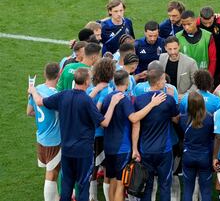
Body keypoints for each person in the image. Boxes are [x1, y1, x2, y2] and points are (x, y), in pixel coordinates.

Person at [28, 68, 124, 201]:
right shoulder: (87, 101)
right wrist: (113, 103)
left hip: (67, 151)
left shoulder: (63, 95)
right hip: (83, 153)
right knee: (83, 186)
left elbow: (39, 102)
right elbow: (105, 122)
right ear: (86, 81)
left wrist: (33, 91)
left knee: (66, 186)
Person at [102, 70, 166, 201]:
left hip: (108, 146)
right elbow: (134, 118)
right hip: (122, 147)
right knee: (121, 184)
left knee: (112, 180)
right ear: (127, 82)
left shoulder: (108, 97)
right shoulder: (123, 98)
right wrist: (152, 104)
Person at [132, 67, 180, 201]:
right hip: (164, 150)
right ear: (159, 82)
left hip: (145, 149)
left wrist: (135, 148)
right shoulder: (168, 99)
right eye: (164, 79)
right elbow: (176, 119)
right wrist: (173, 100)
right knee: (165, 185)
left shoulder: (139, 100)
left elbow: (136, 123)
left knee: (147, 185)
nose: (165, 81)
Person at [26, 62, 61, 201]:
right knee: (52, 174)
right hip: (54, 140)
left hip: (40, 137)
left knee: (51, 172)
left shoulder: (37, 89)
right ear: (58, 75)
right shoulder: (56, 95)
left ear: (45, 74)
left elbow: (29, 112)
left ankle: (55, 197)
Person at [86, 57, 116, 201]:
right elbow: (96, 111)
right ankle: (101, 197)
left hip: (90, 134)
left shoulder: (91, 88)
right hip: (103, 134)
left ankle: (92, 196)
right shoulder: (108, 90)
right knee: (105, 168)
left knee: (93, 165)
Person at [178, 91, 214, 201]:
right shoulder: (209, 119)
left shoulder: (183, 119)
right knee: (205, 191)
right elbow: (213, 137)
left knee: (188, 190)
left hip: (188, 156)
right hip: (205, 157)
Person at [175, 10, 217, 77]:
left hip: (203, 76)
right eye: (184, 25)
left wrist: (209, 77)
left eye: (189, 24)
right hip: (185, 77)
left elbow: (213, 60)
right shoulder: (177, 37)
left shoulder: (208, 36)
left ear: (195, 21)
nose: (186, 27)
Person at [198, 6, 220, 86]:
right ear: (200, 17)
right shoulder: (196, 24)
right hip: (203, 66)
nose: (208, 25)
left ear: (213, 16)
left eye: (210, 22)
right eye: (205, 23)